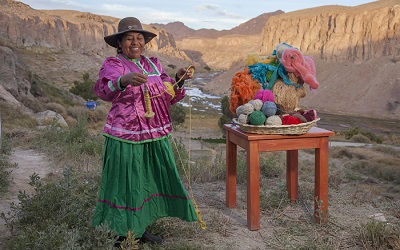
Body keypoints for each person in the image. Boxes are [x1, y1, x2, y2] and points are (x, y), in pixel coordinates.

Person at [91, 17, 198, 245]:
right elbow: (103, 89)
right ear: (119, 43)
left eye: (139, 38)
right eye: (129, 38)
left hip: (154, 134)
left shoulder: (153, 65)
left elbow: (167, 95)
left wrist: (179, 79)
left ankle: (140, 229)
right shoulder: (114, 64)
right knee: (126, 184)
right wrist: (123, 80)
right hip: (126, 136)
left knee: (146, 181)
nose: (135, 42)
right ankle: (122, 235)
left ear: (145, 42)